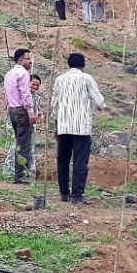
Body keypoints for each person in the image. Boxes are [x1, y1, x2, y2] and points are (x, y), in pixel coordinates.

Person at [51, 53, 106, 203]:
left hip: (63, 126)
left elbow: (54, 104)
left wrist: (56, 123)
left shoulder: (59, 79)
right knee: (80, 161)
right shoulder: (87, 78)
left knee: (63, 159)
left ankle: (64, 193)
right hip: (81, 127)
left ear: (69, 64)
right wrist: (102, 107)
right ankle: (77, 195)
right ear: (83, 65)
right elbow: (99, 101)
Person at [4, 49, 37, 184]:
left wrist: (7, 106)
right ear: (20, 60)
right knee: (24, 143)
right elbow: (25, 94)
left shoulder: (9, 73)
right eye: (28, 59)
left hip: (12, 110)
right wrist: (30, 111)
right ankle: (22, 174)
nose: (30, 62)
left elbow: (5, 92)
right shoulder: (23, 73)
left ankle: (19, 173)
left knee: (19, 142)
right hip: (21, 110)